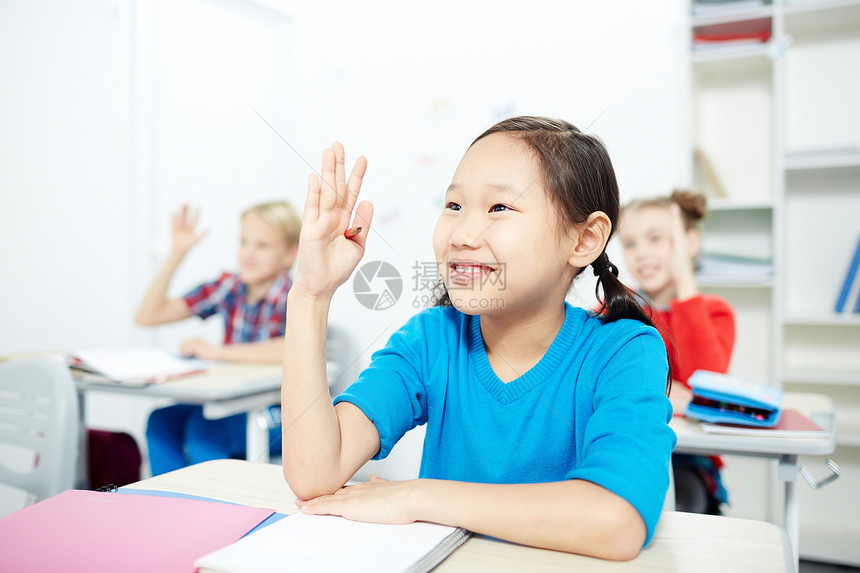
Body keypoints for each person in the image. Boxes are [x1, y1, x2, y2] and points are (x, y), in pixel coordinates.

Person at [281, 116, 676, 560]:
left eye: (499, 209)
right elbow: (314, 475)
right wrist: (310, 295)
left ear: (584, 239)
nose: (463, 235)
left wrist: (416, 497)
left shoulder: (624, 352)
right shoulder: (432, 340)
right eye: (454, 206)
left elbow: (617, 522)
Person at [135, 201, 301, 475]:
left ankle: (211, 509)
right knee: (162, 421)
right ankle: (169, 504)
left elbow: (293, 350)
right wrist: (177, 252)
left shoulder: (296, 295)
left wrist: (216, 352)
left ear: (289, 255)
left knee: (206, 428)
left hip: (283, 415)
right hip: (233, 402)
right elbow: (148, 315)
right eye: (244, 242)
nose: (248, 253)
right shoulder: (229, 287)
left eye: (262, 246)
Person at [619, 190, 735, 514]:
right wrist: (665, 392)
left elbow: (706, 386)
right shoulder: (617, 309)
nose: (641, 253)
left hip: (689, 460)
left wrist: (684, 278)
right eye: (630, 244)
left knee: (678, 507)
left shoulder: (713, 312)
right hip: (631, 445)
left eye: (656, 239)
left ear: (689, 243)